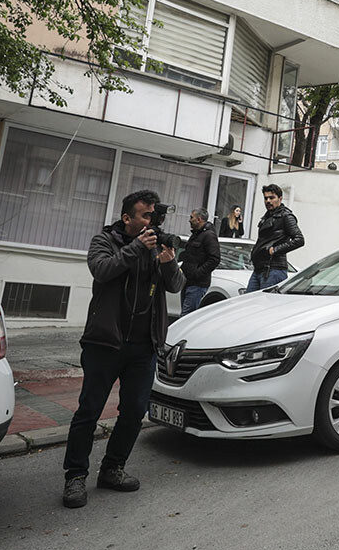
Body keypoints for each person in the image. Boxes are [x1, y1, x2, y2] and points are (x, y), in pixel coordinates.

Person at [62, 190, 184, 509]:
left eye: (154, 216)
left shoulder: (155, 245)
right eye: (145, 216)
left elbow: (176, 285)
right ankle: (75, 477)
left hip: (144, 347)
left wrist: (169, 264)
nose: (151, 222)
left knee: (134, 412)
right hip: (105, 343)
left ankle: (112, 469)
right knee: (89, 411)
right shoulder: (104, 241)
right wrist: (135, 248)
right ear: (127, 218)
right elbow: (102, 270)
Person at [246, 184, 304, 292]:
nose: (268, 201)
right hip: (260, 268)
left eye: (272, 198)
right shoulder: (267, 216)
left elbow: (299, 240)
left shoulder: (286, 215)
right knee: (248, 303)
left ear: (280, 199)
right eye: (266, 198)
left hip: (273, 269)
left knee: (266, 305)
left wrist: (275, 250)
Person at [179, 208, 220, 316]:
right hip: (187, 282)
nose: (189, 220)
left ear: (199, 219)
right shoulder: (196, 234)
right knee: (185, 316)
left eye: (191, 217)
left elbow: (214, 259)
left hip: (197, 285)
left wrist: (197, 273)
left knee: (187, 316)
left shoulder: (208, 235)